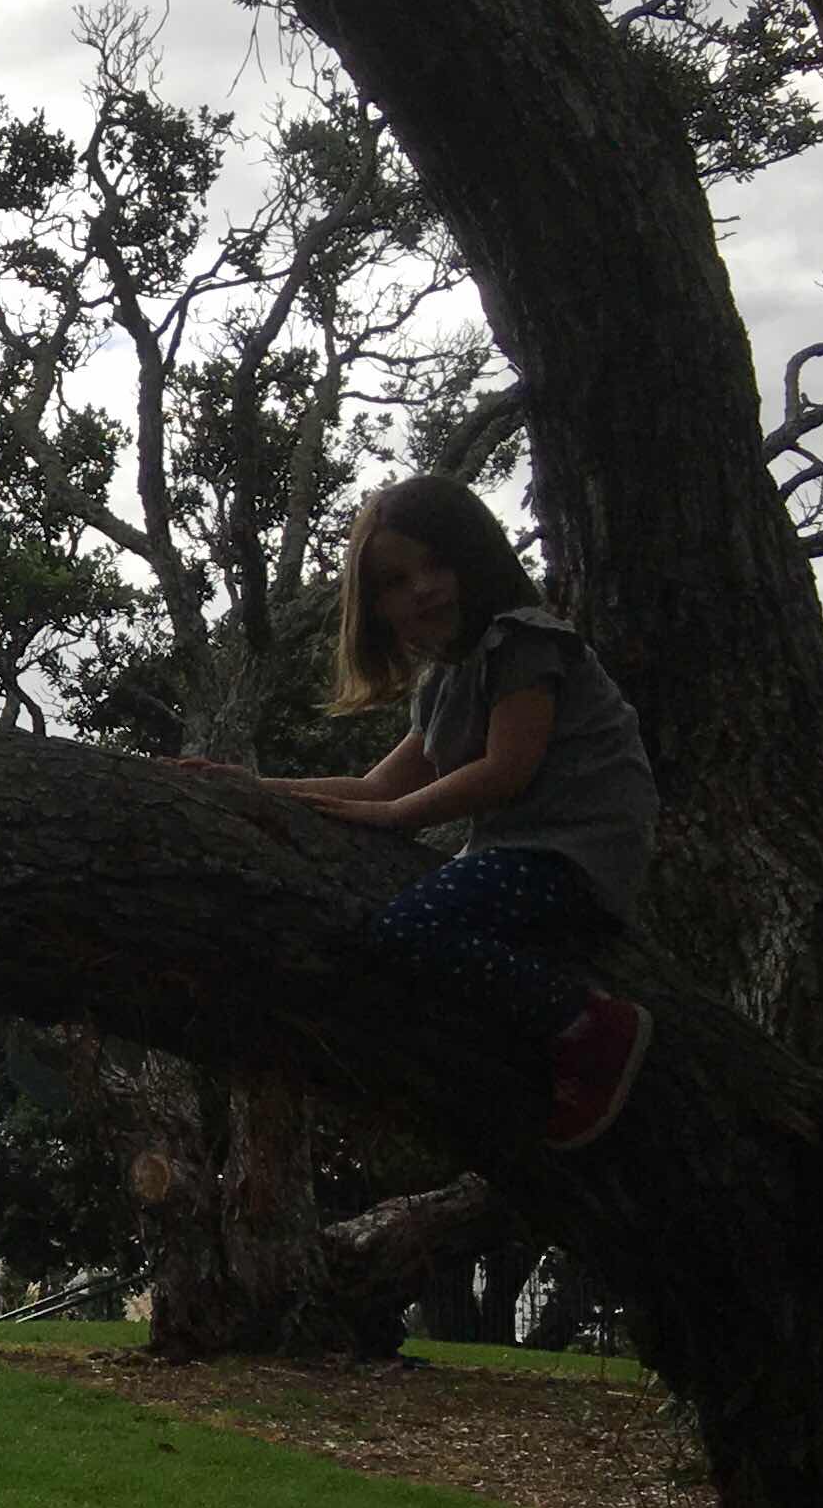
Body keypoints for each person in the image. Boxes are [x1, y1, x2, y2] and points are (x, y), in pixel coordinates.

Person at [184, 477, 659, 1149]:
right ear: (376, 607)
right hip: (529, 857)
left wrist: (403, 816)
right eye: (395, 581)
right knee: (406, 948)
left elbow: (506, 768)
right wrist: (253, 788)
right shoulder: (445, 684)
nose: (422, 589)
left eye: (437, 564)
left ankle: (589, 1024)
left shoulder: (523, 641)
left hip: (574, 854)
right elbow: (376, 787)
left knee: (408, 930)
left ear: (476, 556)